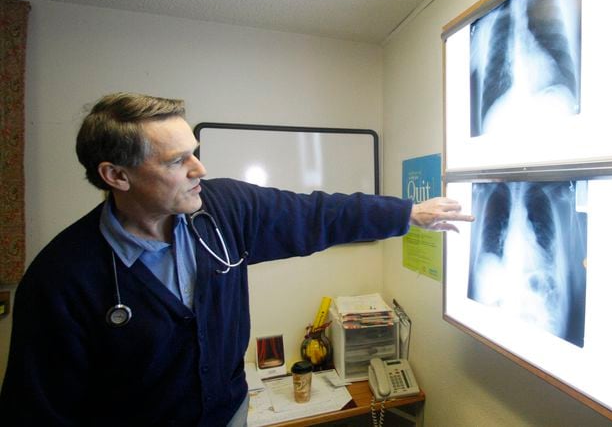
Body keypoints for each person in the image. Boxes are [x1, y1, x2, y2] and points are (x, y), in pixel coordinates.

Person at [0, 92, 473, 425]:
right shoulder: (61, 278)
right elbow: (39, 410)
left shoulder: (224, 209)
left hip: (229, 415)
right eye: (175, 161)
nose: (199, 169)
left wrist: (407, 211)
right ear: (116, 176)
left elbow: (316, 214)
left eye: (196, 153)